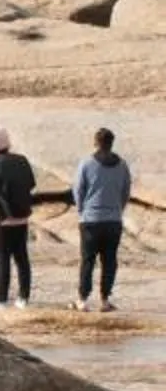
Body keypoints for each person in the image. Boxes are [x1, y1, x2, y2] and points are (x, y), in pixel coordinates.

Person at [0, 125, 38, 309]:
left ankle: (1, 299)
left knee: (3, 258)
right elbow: (32, 184)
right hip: (22, 218)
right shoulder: (22, 160)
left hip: (1, 219)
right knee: (22, 258)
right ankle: (23, 298)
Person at [74, 127, 134, 312]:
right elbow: (125, 191)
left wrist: (82, 210)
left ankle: (82, 299)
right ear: (111, 143)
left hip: (90, 220)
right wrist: (118, 209)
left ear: (96, 143)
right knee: (109, 261)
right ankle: (104, 300)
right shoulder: (122, 165)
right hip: (113, 221)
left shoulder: (86, 163)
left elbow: (78, 190)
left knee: (87, 260)